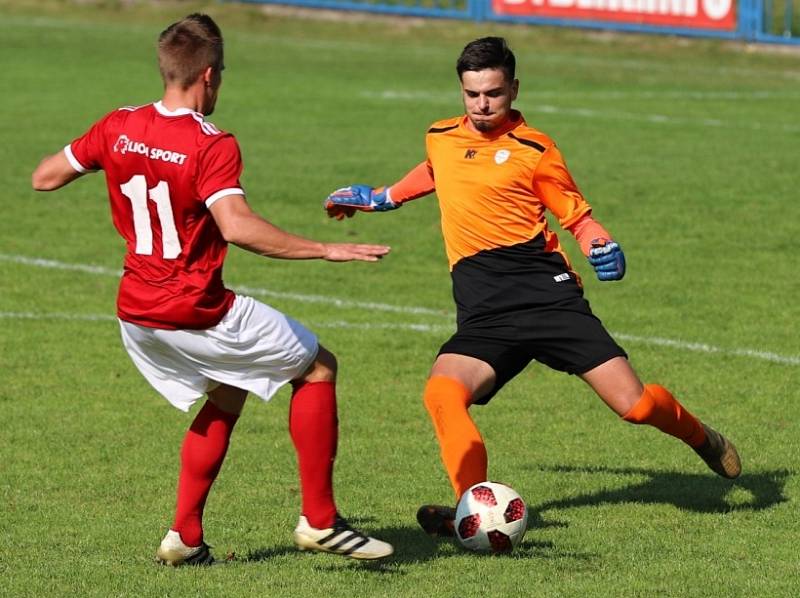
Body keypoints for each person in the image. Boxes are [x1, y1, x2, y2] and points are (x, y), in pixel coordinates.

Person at [324, 36, 741, 537]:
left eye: (493, 93)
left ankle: (703, 439)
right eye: (472, 94)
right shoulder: (440, 135)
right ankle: (471, 509)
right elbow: (439, 170)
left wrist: (601, 245)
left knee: (635, 407)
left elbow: (578, 216)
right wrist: (382, 198)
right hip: (485, 308)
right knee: (441, 392)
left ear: (514, 89)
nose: (482, 104)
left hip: (546, 295)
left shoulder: (536, 150)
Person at [31, 13, 393, 564]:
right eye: (220, 72)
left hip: (135, 312)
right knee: (318, 366)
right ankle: (321, 522)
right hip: (194, 307)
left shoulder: (118, 125)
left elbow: (44, 176)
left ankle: (185, 536)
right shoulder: (211, 143)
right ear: (207, 75)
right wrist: (327, 248)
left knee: (230, 387)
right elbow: (239, 227)